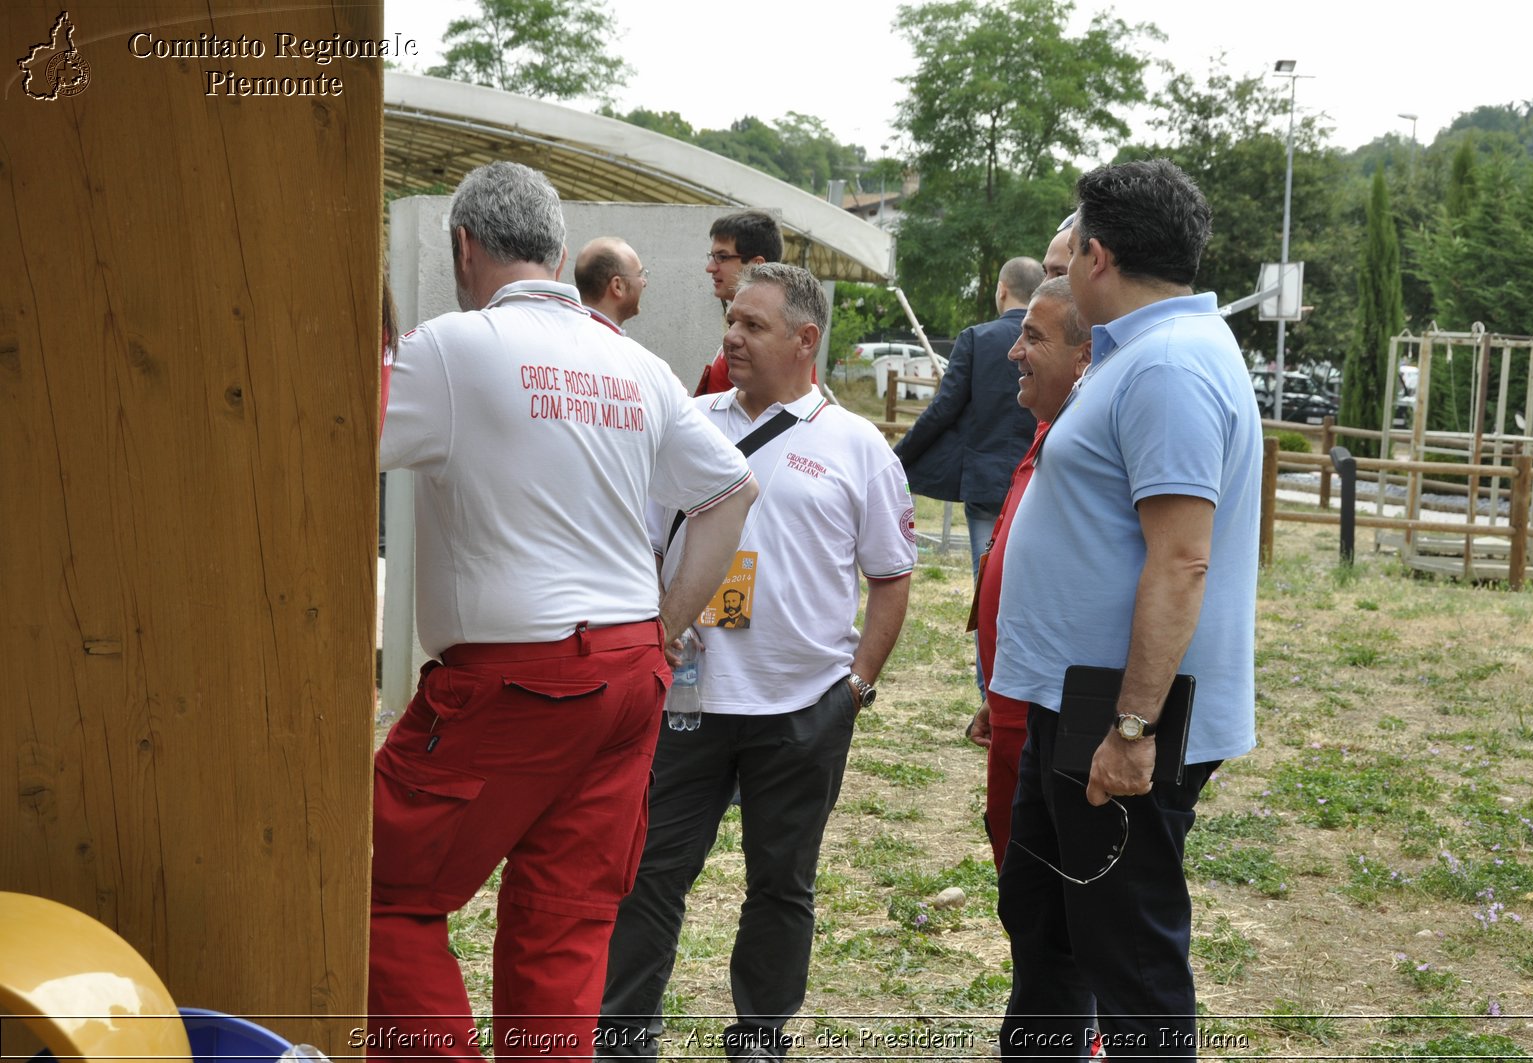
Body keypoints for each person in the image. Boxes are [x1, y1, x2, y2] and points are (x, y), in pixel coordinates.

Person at [370, 161, 758, 1062]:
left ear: (464, 248)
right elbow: (732, 492)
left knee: (374, 889)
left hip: (516, 678)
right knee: (564, 921)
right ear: (555, 250)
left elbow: (325, 428)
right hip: (626, 676)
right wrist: (661, 627)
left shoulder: (452, 348)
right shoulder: (637, 365)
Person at [598, 263, 916, 1062]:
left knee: (781, 886)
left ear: (806, 341)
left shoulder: (856, 446)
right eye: (731, 321)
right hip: (685, 701)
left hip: (802, 707)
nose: (731, 336)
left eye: (753, 325)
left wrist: (856, 686)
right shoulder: (688, 421)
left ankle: (760, 1037)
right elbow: (635, 541)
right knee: (649, 874)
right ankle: (622, 1035)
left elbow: (891, 573)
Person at [989, 159, 1262, 1060]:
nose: (1059, 269)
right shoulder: (1142, 354)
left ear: (1099, 257)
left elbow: (1182, 559)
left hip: (1116, 717)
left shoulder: (1170, 368)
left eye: (1071, 254)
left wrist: (1134, 726)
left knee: (1131, 956)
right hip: (1075, 706)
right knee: (1048, 922)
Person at [963, 275, 1091, 869]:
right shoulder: (1049, 429)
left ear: (1084, 355)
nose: (1013, 352)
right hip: (1017, 696)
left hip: (1050, 709)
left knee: (1035, 876)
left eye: (1032, 338)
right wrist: (999, 686)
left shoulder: (1084, 444)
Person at [893, 256, 1044, 582]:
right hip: (1040, 480)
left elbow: (944, 409)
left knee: (987, 584)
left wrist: (898, 456)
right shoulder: (1053, 342)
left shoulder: (977, 338)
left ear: (1002, 290)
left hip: (986, 481)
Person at [692, 210, 784, 396]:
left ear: (757, 266)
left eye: (722, 257)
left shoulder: (783, 340)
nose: (710, 267)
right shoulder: (776, 332)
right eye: (712, 256)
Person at [575, 236, 649, 332]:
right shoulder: (620, 346)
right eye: (640, 274)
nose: (644, 282)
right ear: (617, 286)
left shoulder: (559, 335)